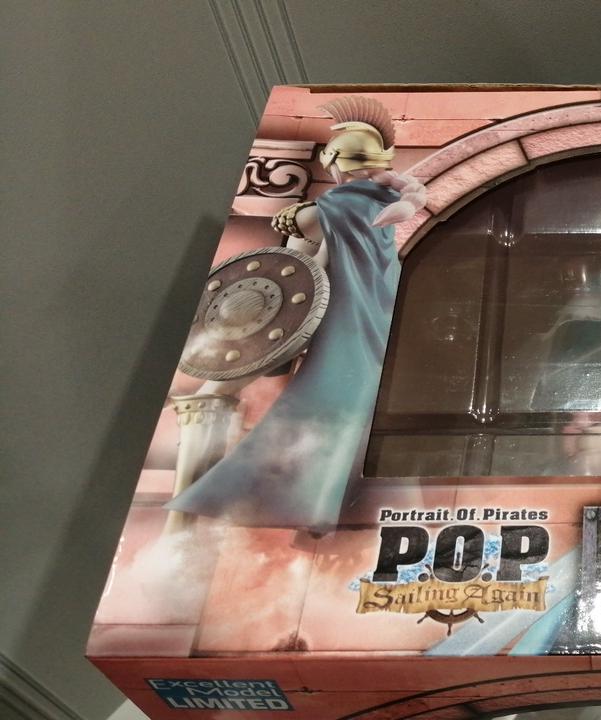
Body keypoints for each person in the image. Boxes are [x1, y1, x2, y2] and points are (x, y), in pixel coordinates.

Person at [166, 96, 427, 532]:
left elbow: (304, 262)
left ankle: (190, 523)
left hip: (339, 323)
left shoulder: (334, 208)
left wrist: (298, 217)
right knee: (345, 418)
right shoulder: (376, 208)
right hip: (366, 327)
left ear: (335, 163)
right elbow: (311, 267)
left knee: (224, 397)